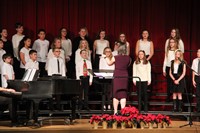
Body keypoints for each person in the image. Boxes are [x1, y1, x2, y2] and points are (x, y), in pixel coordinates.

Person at [106, 44, 131, 114]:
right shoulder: (128, 58)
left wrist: (106, 57)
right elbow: (128, 65)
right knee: (123, 93)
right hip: (124, 76)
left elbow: (109, 63)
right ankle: (123, 111)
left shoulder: (115, 57)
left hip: (117, 75)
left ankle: (115, 112)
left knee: (115, 93)